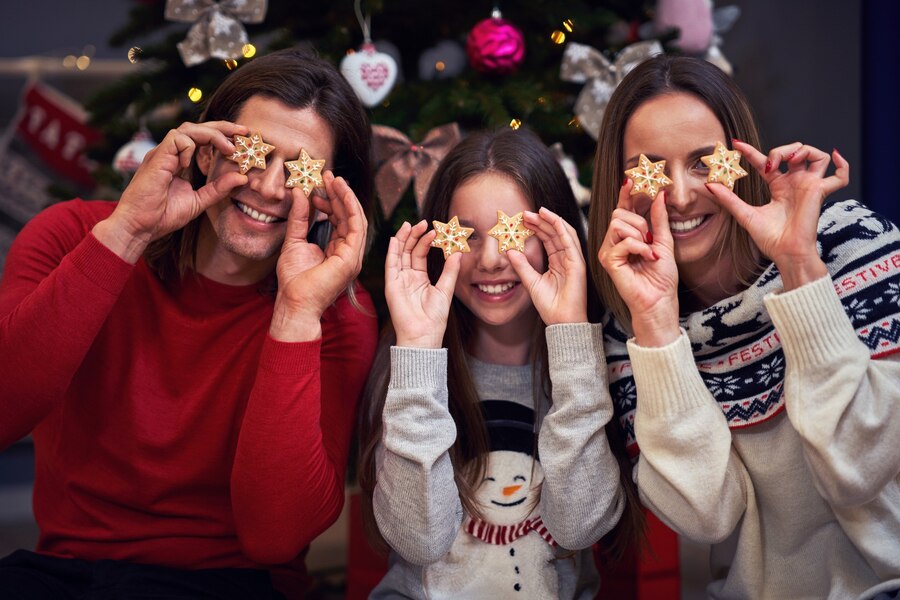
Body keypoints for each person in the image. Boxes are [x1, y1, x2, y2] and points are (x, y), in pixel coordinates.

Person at [0, 47, 377, 599]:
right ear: (206, 153)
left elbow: (276, 536)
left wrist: (296, 312)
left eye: (299, 171)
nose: (270, 189)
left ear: (327, 197)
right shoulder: (69, 235)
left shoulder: (337, 312)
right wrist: (128, 232)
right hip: (69, 572)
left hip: (238, 584)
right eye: (252, 152)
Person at [590, 54, 900, 599]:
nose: (682, 195)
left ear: (741, 158)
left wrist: (801, 269)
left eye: (705, 162)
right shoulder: (631, 332)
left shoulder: (850, 243)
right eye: (653, 170)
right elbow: (707, 516)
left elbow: (861, 468)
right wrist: (660, 326)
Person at [357, 127, 643, 598]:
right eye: (466, 236)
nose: (490, 259)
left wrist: (571, 335)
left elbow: (578, 528)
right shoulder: (408, 366)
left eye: (515, 234)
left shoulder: (600, 361)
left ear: (559, 238)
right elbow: (418, 540)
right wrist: (418, 351)